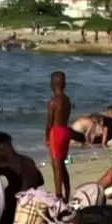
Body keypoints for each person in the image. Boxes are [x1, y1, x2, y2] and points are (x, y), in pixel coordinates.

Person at [0, 132, 45, 224]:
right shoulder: (28, 160)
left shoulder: (4, 166)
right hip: (31, 206)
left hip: (17, 211)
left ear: (1, 147)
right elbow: (41, 181)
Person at [46, 71, 72, 201]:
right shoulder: (67, 100)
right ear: (64, 84)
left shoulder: (53, 102)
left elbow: (49, 122)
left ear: (52, 84)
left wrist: (46, 136)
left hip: (56, 132)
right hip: (65, 131)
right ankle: (67, 192)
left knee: (56, 165)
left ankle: (58, 195)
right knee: (62, 164)